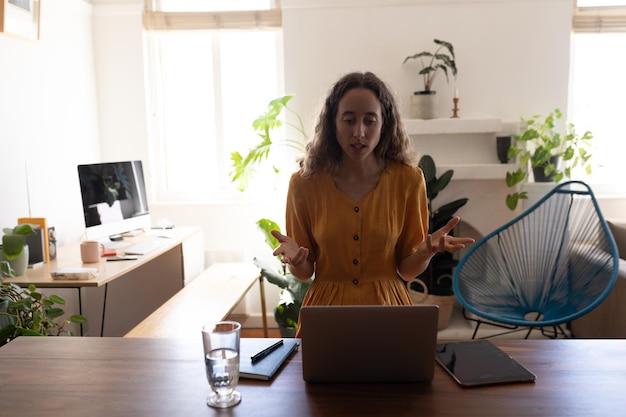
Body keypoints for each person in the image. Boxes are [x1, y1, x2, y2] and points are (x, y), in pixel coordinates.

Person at [271, 71, 475, 323]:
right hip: (326, 314)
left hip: (389, 311)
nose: (359, 132)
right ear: (332, 123)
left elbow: (406, 270)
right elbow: (304, 272)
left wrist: (425, 253)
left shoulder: (409, 180)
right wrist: (294, 260)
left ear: (384, 124)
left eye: (370, 120)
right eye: (348, 120)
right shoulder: (304, 183)